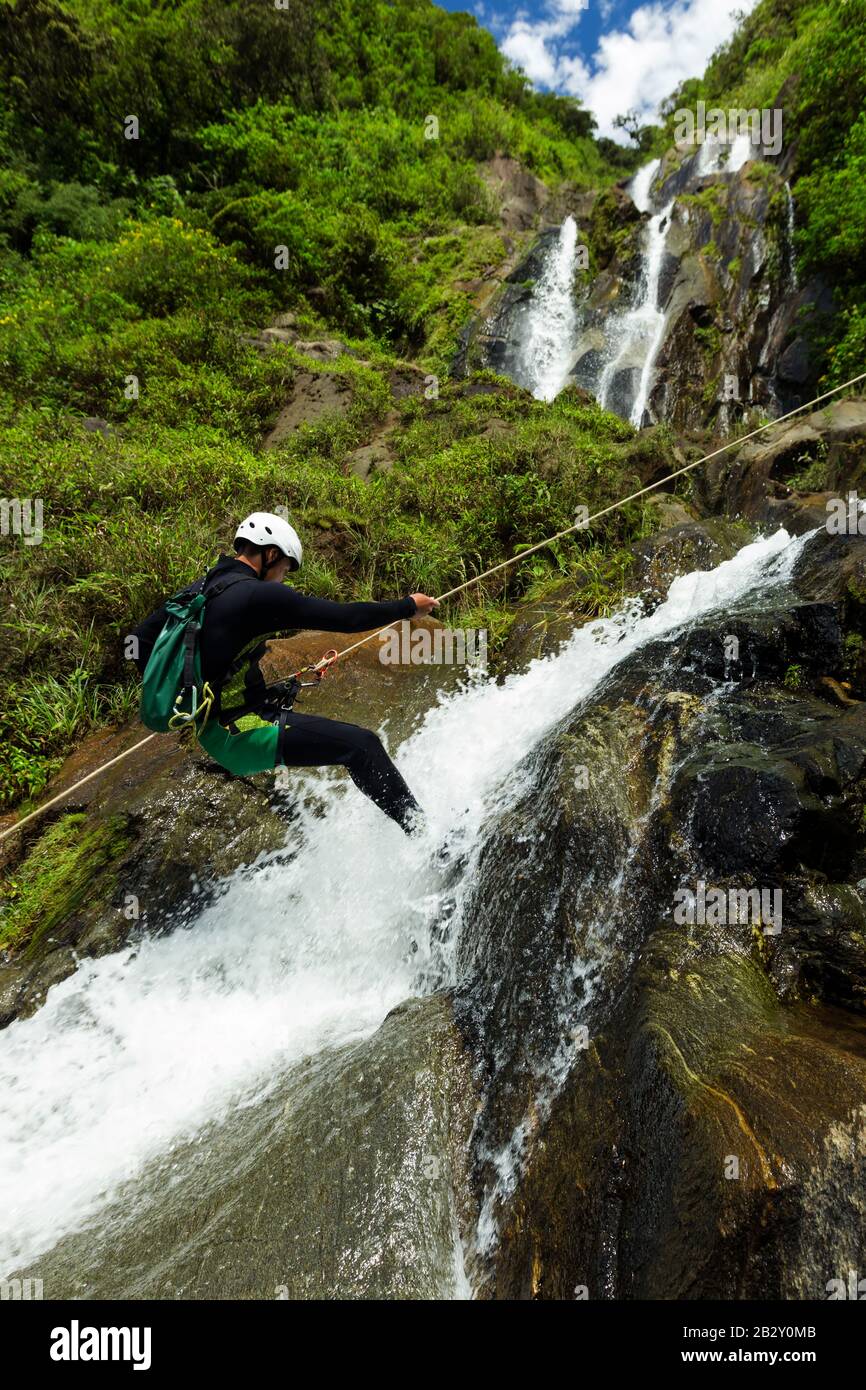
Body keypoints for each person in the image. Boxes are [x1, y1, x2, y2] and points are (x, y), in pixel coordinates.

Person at [132, 512, 438, 834]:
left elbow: (135, 642)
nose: (283, 578)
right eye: (285, 569)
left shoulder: (204, 587)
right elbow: (345, 619)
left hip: (222, 726)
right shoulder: (259, 595)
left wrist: (185, 692)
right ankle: (425, 838)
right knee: (362, 746)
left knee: (356, 745)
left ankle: (419, 834)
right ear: (271, 554)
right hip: (240, 731)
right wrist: (407, 606)